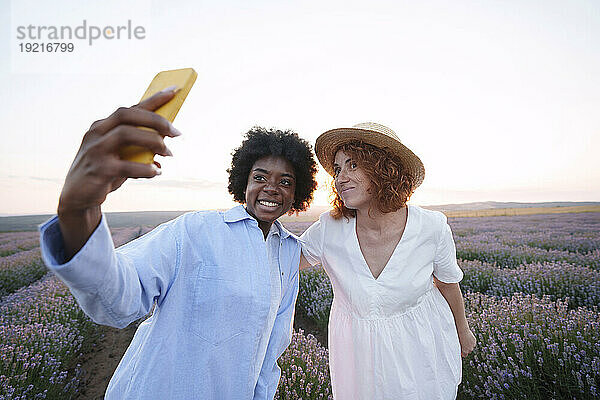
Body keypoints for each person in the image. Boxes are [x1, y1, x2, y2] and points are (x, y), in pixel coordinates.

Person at [38, 88, 318, 399]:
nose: (272, 189)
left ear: (297, 194)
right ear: (244, 182)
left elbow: (272, 349)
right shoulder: (195, 230)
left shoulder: (289, 252)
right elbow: (117, 299)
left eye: (285, 182)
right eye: (260, 177)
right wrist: (80, 210)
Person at [299, 122, 476, 399]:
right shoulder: (329, 229)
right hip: (358, 360)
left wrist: (462, 330)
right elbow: (281, 262)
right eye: (337, 169)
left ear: (383, 169)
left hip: (421, 349)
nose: (340, 177)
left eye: (353, 165)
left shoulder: (431, 227)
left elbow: (448, 283)